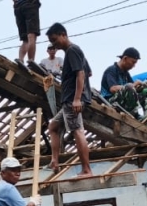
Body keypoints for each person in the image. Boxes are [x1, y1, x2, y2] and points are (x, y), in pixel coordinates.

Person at [45, 23, 94, 176]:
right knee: (53, 126)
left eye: (55, 39)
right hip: (69, 100)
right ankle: (54, 161)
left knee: (77, 131)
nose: (54, 44)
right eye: (51, 42)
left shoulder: (72, 50)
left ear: (63, 34)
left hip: (72, 99)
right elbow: (89, 72)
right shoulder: (73, 52)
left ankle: (86, 170)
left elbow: (81, 74)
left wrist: (77, 98)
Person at [99, 47, 147, 129]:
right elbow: (113, 88)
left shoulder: (126, 74)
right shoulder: (111, 70)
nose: (134, 66)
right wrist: (132, 85)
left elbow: (133, 90)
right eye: (133, 62)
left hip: (123, 100)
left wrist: (140, 87)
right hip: (110, 102)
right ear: (125, 58)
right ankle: (136, 116)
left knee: (146, 91)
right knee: (129, 87)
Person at [13, 0, 41, 67]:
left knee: (25, 40)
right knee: (31, 36)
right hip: (29, 4)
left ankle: (21, 59)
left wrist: (15, 3)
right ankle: (31, 61)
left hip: (18, 7)